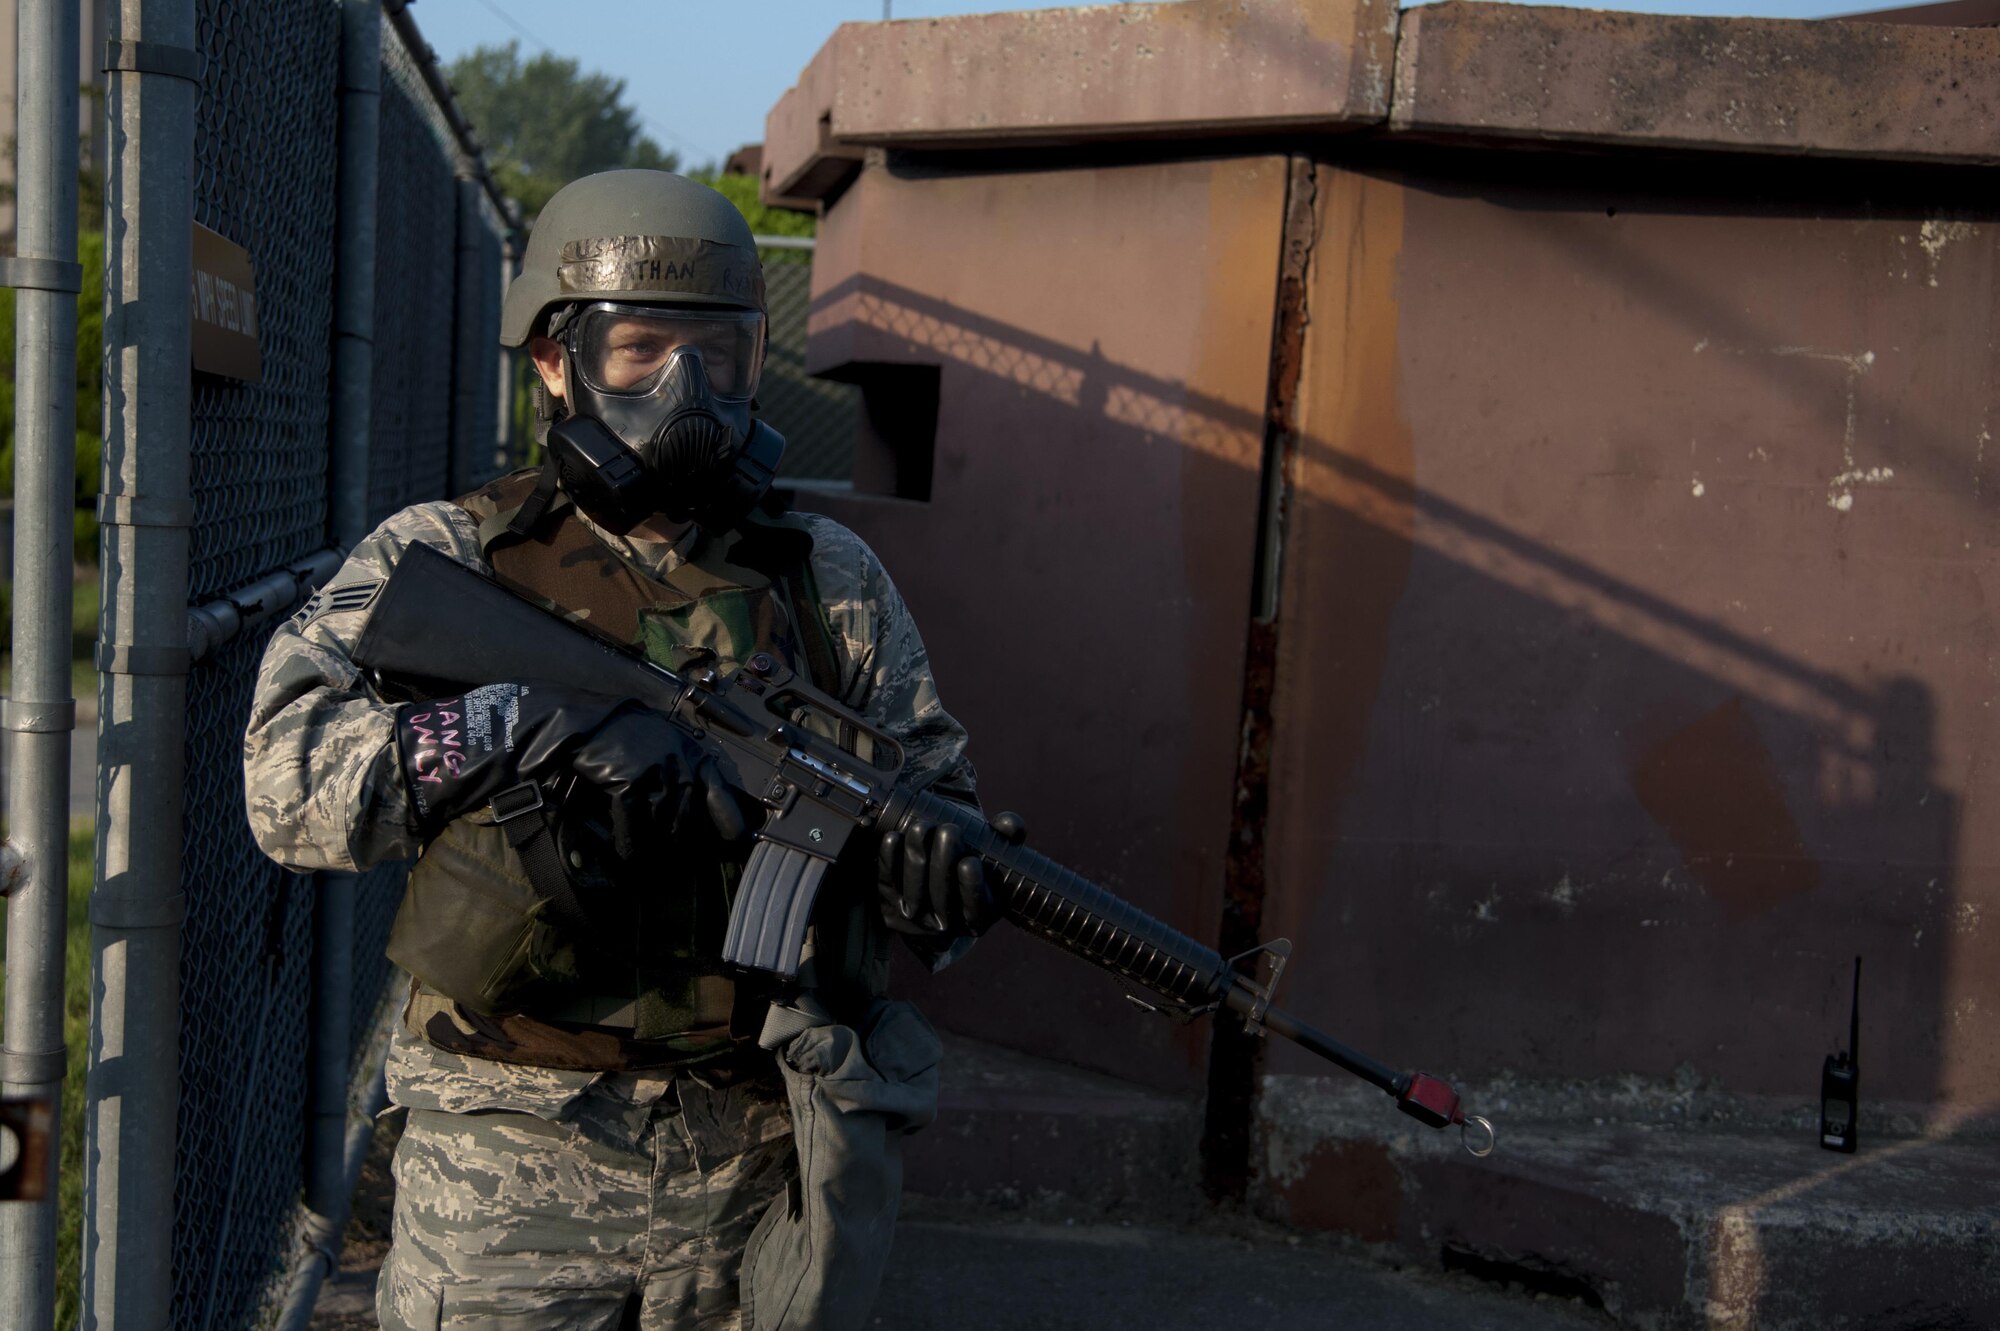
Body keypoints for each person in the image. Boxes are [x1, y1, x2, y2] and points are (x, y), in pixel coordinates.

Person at [244, 169, 1003, 1330]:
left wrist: (936, 865)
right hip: (510, 1150)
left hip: (753, 1149)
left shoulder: (822, 576)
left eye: (719, 352)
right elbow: (285, 783)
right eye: (641, 348)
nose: (685, 389)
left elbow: (928, 787)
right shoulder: (450, 554)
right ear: (554, 358)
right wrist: (510, 726)